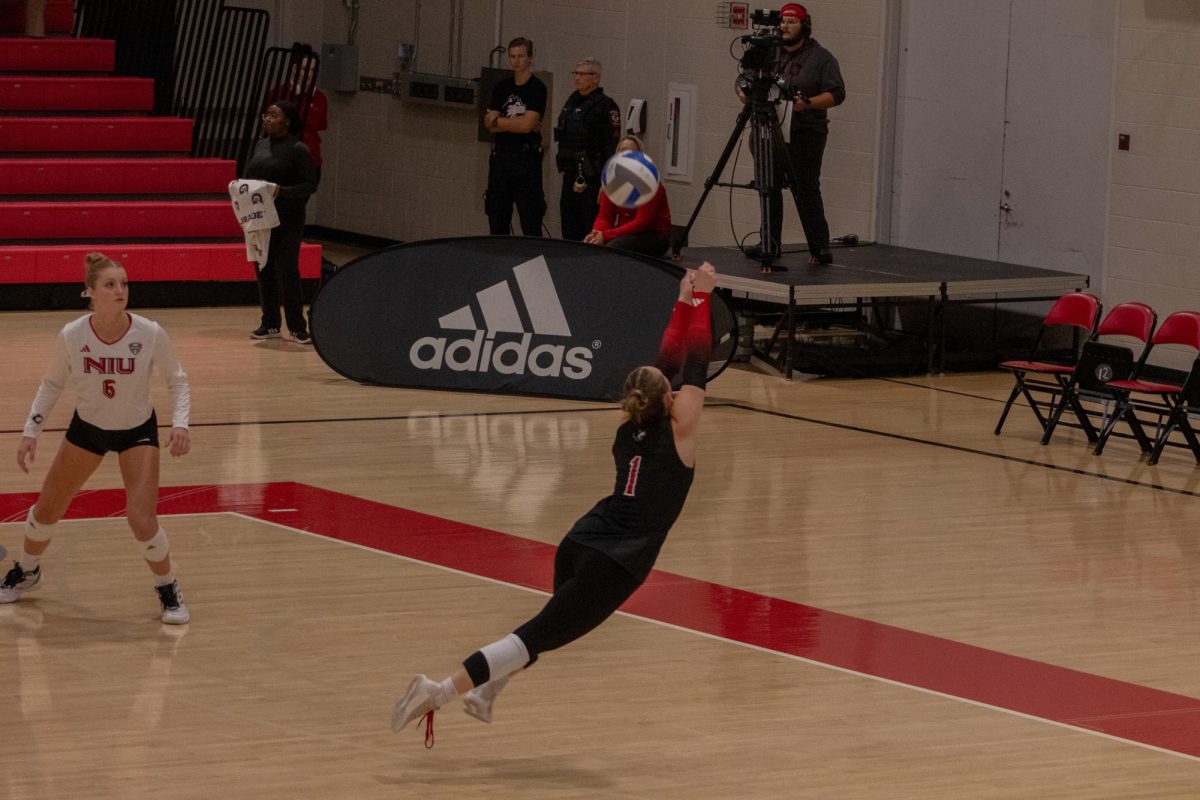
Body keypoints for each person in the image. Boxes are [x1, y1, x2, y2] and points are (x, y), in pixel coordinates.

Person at [391, 263, 717, 745]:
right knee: (534, 636)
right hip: (618, 561)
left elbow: (668, 365)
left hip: (583, 538)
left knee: (547, 627)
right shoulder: (679, 431)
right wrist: (704, 298)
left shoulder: (629, 430)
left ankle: (486, 693)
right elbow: (694, 364)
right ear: (669, 401)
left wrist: (685, 300)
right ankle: (438, 690)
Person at [4, 252, 191, 624]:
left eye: (123, 283)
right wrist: (30, 431)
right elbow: (51, 384)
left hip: (137, 432)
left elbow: (178, 380)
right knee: (47, 509)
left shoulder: (149, 332)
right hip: (87, 429)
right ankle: (27, 569)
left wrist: (180, 423)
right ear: (89, 292)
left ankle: (167, 586)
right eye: (110, 284)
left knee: (141, 519)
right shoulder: (72, 335)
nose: (120, 290)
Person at [740, 3, 844, 266]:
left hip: (805, 131)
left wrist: (807, 103)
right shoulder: (769, 53)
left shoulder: (822, 58)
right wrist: (745, 94)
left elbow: (837, 94)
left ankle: (819, 246)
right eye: (783, 22)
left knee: (806, 188)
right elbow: (744, 80)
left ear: (804, 26)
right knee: (769, 187)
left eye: (791, 22)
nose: (785, 26)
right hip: (768, 128)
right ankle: (769, 243)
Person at [244, 99, 319, 343]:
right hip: (261, 219)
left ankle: (297, 327)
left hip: (288, 219)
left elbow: (310, 185)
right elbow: (251, 178)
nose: (267, 118)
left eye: (274, 115)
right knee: (263, 269)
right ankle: (270, 323)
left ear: (287, 121)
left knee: (287, 271)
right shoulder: (260, 145)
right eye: (266, 114)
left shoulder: (298, 149)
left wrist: (281, 192)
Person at [484, 37, 547, 237]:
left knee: (530, 221)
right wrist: (515, 124)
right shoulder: (501, 87)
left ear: (530, 57)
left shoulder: (537, 88)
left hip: (525, 160)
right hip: (501, 158)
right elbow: (488, 125)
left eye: (520, 56)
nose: (516, 61)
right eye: (512, 56)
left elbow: (527, 125)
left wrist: (499, 121)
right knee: (497, 218)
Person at [554, 57, 621, 241]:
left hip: (592, 177)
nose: (577, 78)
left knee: (589, 228)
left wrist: (606, 182)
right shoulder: (572, 101)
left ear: (595, 78)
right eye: (575, 73)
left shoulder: (606, 106)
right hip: (570, 174)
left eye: (582, 74)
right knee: (569, 227)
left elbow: (611, 147)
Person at [584, 135, 673, 258]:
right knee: (591, 245)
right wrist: (597, 233)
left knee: (613, 247)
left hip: (654, 234)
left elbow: (641, 223)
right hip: (627, 232)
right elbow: (605, 216)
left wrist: (605, 236)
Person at [267, 47, 329, 183]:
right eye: (304, 69)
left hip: (310, 160)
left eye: (313, 70)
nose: (309, 74)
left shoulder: (320, 98)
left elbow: (318, 127)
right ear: (294, 69)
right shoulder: (279, 93)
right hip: (281, 160)